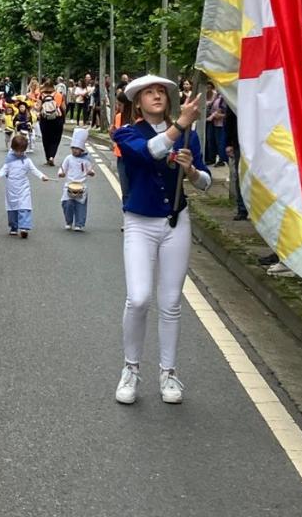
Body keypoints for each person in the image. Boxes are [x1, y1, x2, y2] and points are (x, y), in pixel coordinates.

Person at [112, 74, 209, 406]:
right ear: (138, 102)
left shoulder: (187, 137)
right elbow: (149, 152)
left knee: (170, 303)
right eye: (148, 93)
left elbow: (206, 182)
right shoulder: (125, 133)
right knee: (138, 298)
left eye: (161, 92)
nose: (156, 96)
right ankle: (130, 368)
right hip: (139, 223)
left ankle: (168, 372)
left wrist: (192, 171)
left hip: (175, 222)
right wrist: (179, 125)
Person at [0, 132, 48, 238]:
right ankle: (13, 226)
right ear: (13, 148)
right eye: (17, 150)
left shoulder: (27, 161)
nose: (19, 153)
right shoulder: (9, 160)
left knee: (25, 206)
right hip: (11, 187)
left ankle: (24, 227)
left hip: (23, 187)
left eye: (22, 151)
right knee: (12, 207)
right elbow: (3, 170)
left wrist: (42, 176)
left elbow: (34, 170)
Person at [59, 127, 96, 232]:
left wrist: (91, 172)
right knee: (67, 204)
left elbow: (92, 172)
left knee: (81, 205)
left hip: (82, 186)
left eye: (77, 148)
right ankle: (68, 221)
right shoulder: (68, 158)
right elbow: (62, 168)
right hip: (69, 185)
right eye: (73, 148)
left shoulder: (86, 160)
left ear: (82, 149)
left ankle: (79, 224)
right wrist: (61, 173)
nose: (74, 150)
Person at [36, 79, 65, 166]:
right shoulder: (59, 95)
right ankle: (52, 156)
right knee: (55, 139)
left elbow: (38, 108)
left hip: (45, 119)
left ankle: (48, 157)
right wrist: (63, 118)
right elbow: (63, 108)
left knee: (46, 139)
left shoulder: (41, 95)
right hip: (57, 118)